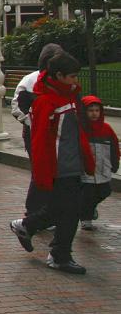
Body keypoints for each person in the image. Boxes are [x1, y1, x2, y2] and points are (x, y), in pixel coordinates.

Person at [9, 52, 95, 274]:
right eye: (72, 76)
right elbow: (40, 141)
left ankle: (28, 227)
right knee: (68, 210)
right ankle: (58, 254)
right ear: (59, 75)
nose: (75, 80)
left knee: (63, 209)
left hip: (72, 163)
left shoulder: (69, 95)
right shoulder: (46, 101)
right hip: (59, 167)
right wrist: (44, 172)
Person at [12, 43, 65, 216]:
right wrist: (36, 123)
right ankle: (34, 209)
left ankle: (51, 208)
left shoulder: (62, 80)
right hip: (36, 133)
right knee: (40, 170)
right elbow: (17, 108)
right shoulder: (30, 81)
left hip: (59, 134)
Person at [79, 95, 117, 231]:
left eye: (97, 110)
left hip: (103, 168)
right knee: (87, 195)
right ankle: (86, 218)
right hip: (86, 171)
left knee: (105, 191)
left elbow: (114, 147)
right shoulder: (81, 129)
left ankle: (89, 208)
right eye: (90, 111)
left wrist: (115, 163)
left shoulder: (106, 128)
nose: (94, 113)